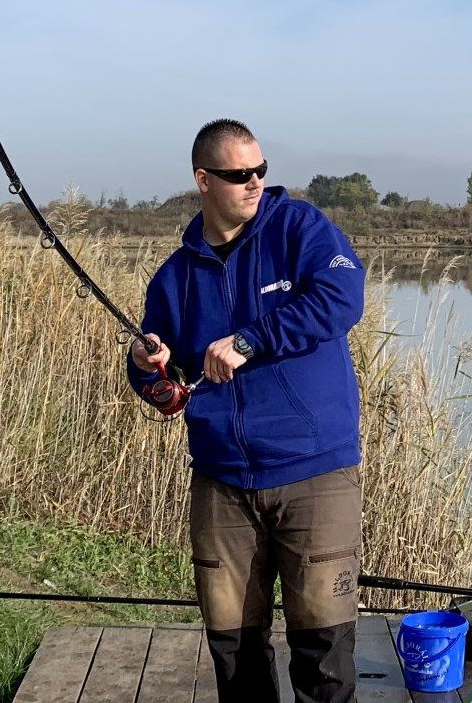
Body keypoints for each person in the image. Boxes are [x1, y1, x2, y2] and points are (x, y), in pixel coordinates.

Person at [129, 119, 365, 703]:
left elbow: (343, 298)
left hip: (315, 471)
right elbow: (161, 384)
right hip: (222, 482)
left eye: (261, 170)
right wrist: (148, 368)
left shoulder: (300, 228)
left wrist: (248, 340)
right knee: (234, 652)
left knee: (324, 654)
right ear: (203, 180)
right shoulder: (175, 276)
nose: (255, 182)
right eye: (239, 175)